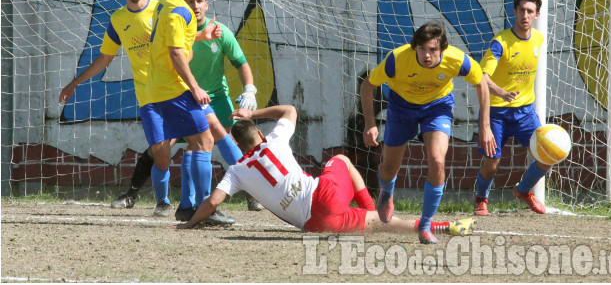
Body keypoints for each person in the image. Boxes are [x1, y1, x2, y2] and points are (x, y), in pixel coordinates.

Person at [59, 0, 232, 223]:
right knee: (164, 152)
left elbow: (172, 41)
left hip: (171, 88)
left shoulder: (160, 8)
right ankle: (170, 202)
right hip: (154, 94)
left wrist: (200, 35)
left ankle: (237, 188)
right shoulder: (119, 19)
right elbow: (105, 59)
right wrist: (75, 82)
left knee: (211, 132)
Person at [172, 104, 475, 238]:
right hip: (324, 194)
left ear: (239, 148)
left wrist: (189, 226)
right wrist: (253, 112)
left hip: (316, 224)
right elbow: (289, 110)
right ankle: (373, 207)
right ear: (260, 136)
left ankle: (439, 227)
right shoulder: (274, 139)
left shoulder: (236, 170)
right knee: (341, 160)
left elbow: (212, 202)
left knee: (388, 227)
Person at [111, 0, 264, 215]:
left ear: (206, 5)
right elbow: (174, 53)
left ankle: (251, 195)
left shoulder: (221, 33)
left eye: (199, 1)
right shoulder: (178, 30)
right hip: (183, 95)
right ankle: (168, 202)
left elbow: (241, 62)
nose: (194, 6)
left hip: (214, 98)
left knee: (226, 139)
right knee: (165, 149)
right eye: (190, 2)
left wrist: (249, 90)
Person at [360, 22, 495, 244]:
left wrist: (485, 126)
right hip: (402, 108)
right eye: (422, 49)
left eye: (433, 50)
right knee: (389, 167)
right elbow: (368, 85)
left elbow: (481, 82)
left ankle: (425, 224)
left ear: (443, 50)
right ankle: (386, 190)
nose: (427, 55)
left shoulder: (458, 60)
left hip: (437, 108)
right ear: (415, 47)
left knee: (437, 160)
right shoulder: (397, 59)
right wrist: (369, 123)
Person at [139, 0, 220, 218]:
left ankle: (187, 208)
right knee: (204, 140)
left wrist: (200, 35)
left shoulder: (166, 4)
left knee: (198, 142)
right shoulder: (180, 10)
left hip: (162, 87)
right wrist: (195, 87)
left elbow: (168, 41)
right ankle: (203, 208)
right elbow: (175, 53)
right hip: (172, 87)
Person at [473, 0, 549, 216]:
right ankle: (481, 198)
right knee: (492, 163)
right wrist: (502, 92)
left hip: (525, 112)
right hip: (497, 112)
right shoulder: (500, 42)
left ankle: (524, 190)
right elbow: (482, 77)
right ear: (514, 12)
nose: (525, 15)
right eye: (521, 10)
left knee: (546, 156)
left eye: (530, 11)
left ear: (537, 15)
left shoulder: (538, 38)